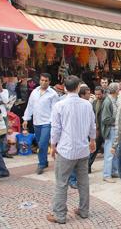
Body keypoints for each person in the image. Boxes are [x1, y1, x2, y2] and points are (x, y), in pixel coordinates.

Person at [46, 75, 96, 224]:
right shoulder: (87, 105)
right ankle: (84, 210)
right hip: (82, 149)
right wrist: (92, 140)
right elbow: (92, 125)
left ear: (65, 88)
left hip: (66, 150)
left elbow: (55, 129)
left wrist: (53, 145)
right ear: (78, 87)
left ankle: (60, 215)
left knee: (61, 182)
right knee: (83, 181)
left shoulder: (59, 105)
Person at [22, 73, 58, 174]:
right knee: (40, 143)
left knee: (42, 143)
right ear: (39, 80)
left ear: (49, 82)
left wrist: (52, 122)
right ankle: (44, 161)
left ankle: (41, 164)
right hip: (36, 122)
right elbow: (30, 106)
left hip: (47, 122)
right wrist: (26, 119)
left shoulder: (53, 94)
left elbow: (55, 110)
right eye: (42, 80)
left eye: (46, 81)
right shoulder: (34, 92)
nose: (43, 82)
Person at [101, 83, 119, 183]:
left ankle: (114, 171)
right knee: (109, 153)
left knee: (114, 152)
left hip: (113, 129)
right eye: (118, 89)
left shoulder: (112, 100)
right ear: (116, 90)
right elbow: (105, 119)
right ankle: (107, 175)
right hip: (110, 129)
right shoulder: (108, 102)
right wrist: (117, 119)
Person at [88, 86, 105, 173]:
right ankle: (88, 166)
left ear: (103, 93)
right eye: (96, 94)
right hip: (98, 129)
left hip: (105, 129)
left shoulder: (106, 102)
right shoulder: (94, 103)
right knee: (94, 149)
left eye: (99, 94)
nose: (98, 96)